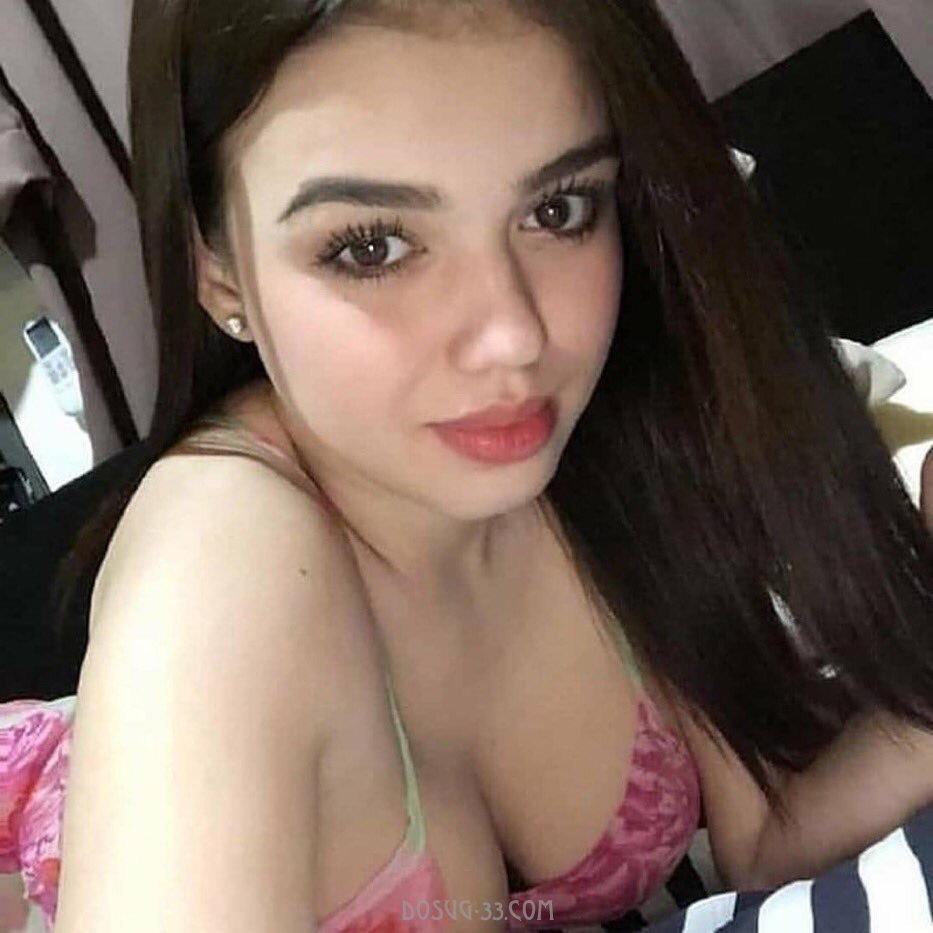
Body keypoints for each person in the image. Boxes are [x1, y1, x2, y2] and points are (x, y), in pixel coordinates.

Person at [2, 1, 933, 931]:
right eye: (371, 245)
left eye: (557, 209)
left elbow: (766, 842)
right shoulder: (218, 570)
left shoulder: (613, 434)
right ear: (219, 274)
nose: (513, 336)